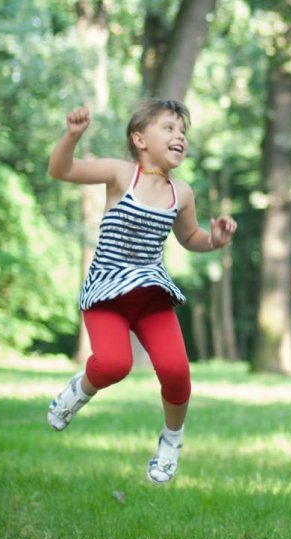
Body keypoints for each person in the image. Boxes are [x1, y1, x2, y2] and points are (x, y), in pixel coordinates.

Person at [46, 99, 237, 484]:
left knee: (177, 371)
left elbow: (190, 237)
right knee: (114, 365)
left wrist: (215, 240)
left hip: (150, 294)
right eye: (168, 127)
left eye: (182, 130)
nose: (179, 135)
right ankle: (78, 390)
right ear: (139, 138)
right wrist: (72, 135)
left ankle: (171, 440)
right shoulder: (121, 174)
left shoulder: (181, 192)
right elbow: (60, 169)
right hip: (106, 292)